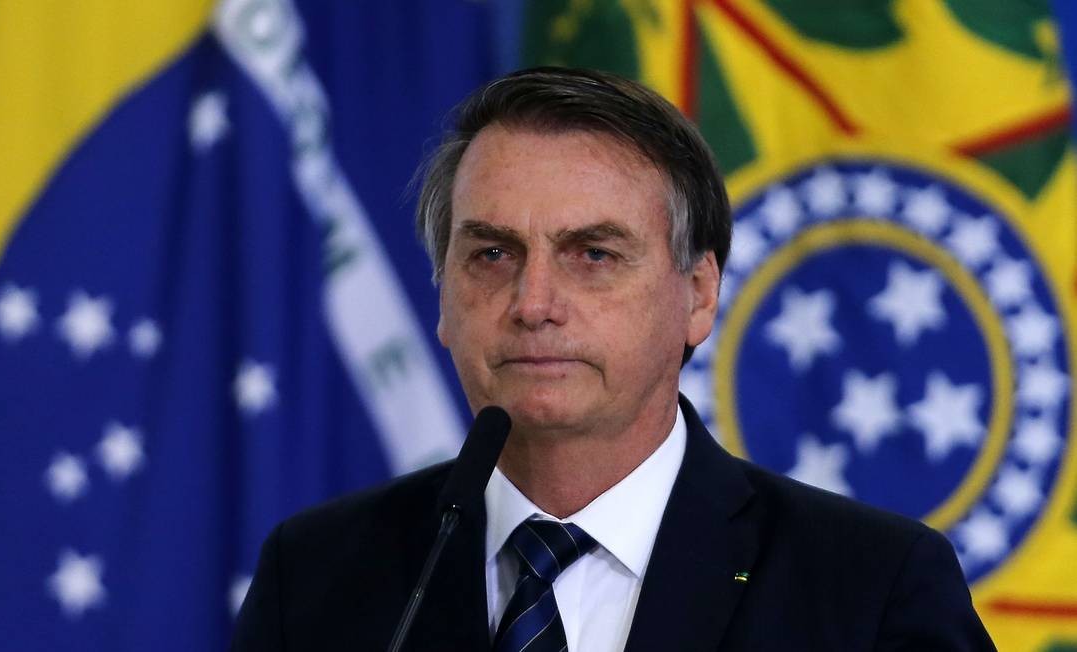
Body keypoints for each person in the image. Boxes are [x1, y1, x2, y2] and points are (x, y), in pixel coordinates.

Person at [230, 67, 996, 651]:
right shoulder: (318, 576)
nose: (533, 302)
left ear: (698, 294)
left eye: (593, 254)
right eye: (492, 254)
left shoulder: (871, 590)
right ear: (442, 296)